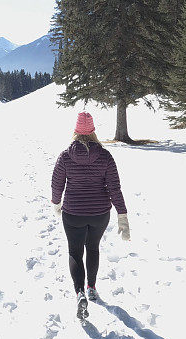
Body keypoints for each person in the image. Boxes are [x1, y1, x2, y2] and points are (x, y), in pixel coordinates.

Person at [51, 112, 129, 319]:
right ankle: (92, 287)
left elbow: (57, 184)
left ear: (76, 131)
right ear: (93, 131)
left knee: (75, 253)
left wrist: (56, 203)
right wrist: (122, 215)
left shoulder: (66, 155)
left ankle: (79, 293)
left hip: (73, 213)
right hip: (99, 214)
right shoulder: (105, 156)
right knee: (92, 247)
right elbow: (115, 188)